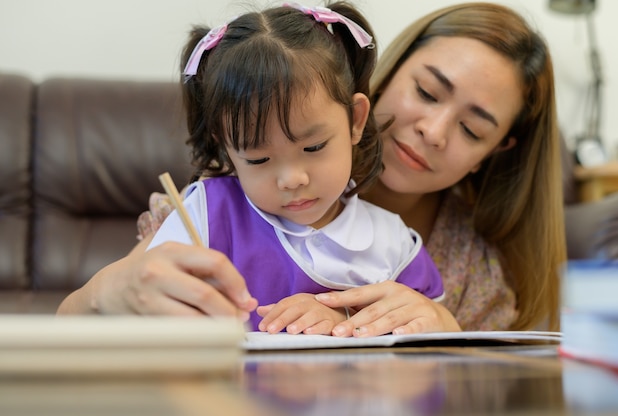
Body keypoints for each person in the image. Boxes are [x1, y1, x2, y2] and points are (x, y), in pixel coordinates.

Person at [58, 2, 566, 336]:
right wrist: (109, 293)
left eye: (474, 130)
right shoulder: (214, 210)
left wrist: (443, 326)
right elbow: (77, 329)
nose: (433, 130)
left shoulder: (459, 269)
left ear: (498, 150)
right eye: (427, 92)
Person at [144, 2, 443, 333]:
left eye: (313, 147)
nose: (292, 179)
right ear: (227, 147)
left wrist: (345, 322)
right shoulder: (206, 215)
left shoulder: (393, 245)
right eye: (258, 159)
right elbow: (144, 310)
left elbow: (434, 338)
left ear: (355, 120)